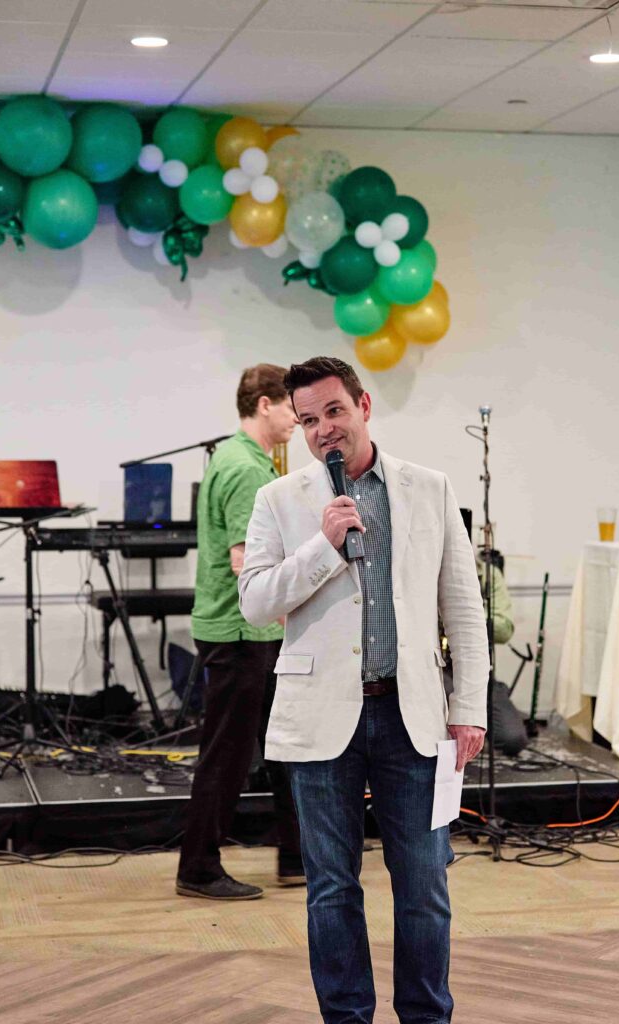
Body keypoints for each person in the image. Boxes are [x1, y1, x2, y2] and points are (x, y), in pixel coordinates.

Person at [239, 356, 489, 1022]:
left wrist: (469, 709)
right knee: (330, 890)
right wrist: (322, 546)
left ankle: (426, 1017)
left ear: (364, 406)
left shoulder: (428, 488)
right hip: (321, 720)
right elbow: (255, 603)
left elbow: (463, 609)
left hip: (413, 718)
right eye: (308, 419)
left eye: (334, 411)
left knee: (425, 888)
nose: (323, 429)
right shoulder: (278, 499)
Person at [176, 363, 303, 901]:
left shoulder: (239, 458)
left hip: (250, 632)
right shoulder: (247, 468)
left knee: (285, 749)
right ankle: (199, 869)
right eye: (292, 407)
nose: (299, 418)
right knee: (228, 757)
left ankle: (297, 856)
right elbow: (244, 560)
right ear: (265, 404)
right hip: (241, 633)